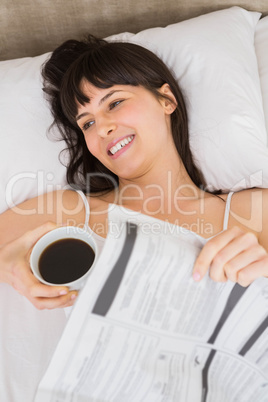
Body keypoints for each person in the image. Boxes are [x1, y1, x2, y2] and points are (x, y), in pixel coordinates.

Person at [0, 35, 268, 310]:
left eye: (114, 103)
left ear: (166, 99)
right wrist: (9, 267)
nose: (102, 128)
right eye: (88, 123)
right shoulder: (70, 211)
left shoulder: (253, 210)